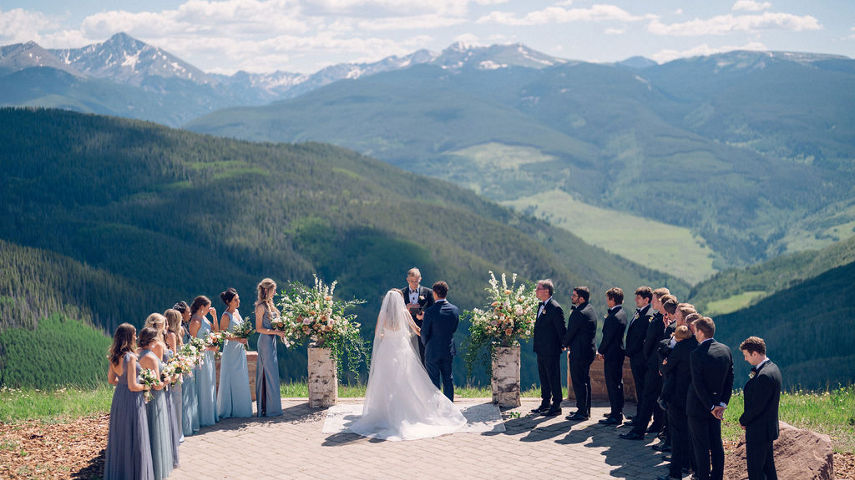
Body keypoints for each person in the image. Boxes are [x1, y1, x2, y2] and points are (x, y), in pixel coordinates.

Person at [348, 289, 466, 441]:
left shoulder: (383, 315)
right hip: (402, 350)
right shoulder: (404, 313)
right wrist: (428, 338)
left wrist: (388, 336)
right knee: (406, 380)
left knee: (385, 382)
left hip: (386, 350)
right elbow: (417, 330)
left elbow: (378, 333)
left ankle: (385, 413)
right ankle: (405, 411)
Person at [104, 323, 154, 480]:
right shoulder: (131, 357)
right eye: (134, 334)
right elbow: (133, 386)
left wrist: (123, 383)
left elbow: (112, 380)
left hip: (119, 398)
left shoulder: (114, 356)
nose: (136, 337)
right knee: (135, 436)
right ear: (128, 337)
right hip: (132, 400)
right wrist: (147, 385)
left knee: (121, 436)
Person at [688, 317, 734, 480]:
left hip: (698, 406)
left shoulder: (697, 354)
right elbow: (730, 379)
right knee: (716, 443)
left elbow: (698, 384)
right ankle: (717, 476)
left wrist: (710, 406)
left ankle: (702, 476)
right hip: (718, 406)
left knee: (700, 445)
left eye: (695, 331)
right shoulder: (725, 350)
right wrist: (721, 404)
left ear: (700, 332)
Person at [622, 287, 671, 440]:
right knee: (654, 397)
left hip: (653, 364)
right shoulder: (659, 318)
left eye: (655, 300)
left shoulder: (657, 320)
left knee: (648, 396)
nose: (653, 303)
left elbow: (650, 343)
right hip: (656, 364)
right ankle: (658, 425)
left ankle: (639, 430)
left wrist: (647, 357)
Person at [657, 325, 698, 480]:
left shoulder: (679, 349)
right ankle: (688, 465)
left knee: (677, 434)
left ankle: (675, 473)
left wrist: (666, 363)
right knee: (689, 433)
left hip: (677, 397)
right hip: (692, 396)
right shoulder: (696, 346)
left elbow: (666, 369)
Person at [739, 336, 782, 480]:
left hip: (759, 430)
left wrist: (743, 419)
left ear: (755, 354)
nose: (745, 359)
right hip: (767, 428)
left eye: (746, 355)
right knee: (768, 468)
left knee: (755, 470)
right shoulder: (772, 367)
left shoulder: (764, 375)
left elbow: (758, 406)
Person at [138, 326, 174, 480]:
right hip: (155, 398)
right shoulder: (151, 358)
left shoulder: (137, 354)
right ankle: (155, 467)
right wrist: (169, 379)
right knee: (155, 429)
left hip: (142, 397)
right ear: (152, 341)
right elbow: (157, 384)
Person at [145, 313, 179, 468]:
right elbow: (158, 368)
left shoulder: (151, 342)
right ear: (159, 326)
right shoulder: (158, 345)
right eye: (165, 324)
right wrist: (171, 377)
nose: (167, 327)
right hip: (161, 386)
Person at [531, 279, 567, 417]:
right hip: (541, 349)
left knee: (553, 377)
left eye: (538, 288)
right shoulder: (541, 306)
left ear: (546, 291)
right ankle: (545, 402)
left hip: (551, 350)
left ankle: (556, 405)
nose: (536, 291)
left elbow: (561, 329)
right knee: (544, 377)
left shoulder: (555, 307)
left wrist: (563, 345)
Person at [419, 281, 459, 401]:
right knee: (448, 379)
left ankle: (436, 409)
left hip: (432, 350)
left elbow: (424, 333)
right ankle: (449, 408)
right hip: (448, 349)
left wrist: (427, 344)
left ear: (435, 294)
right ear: (446, 293)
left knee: (433, 381)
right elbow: (454, 328)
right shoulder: (454, 310)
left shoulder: (430, 312)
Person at [217, 288, 253, 419]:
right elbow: (222, 334)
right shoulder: (226, 316)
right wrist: (238, 338)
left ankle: (241, 409)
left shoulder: (237, 312)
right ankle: (228, 409)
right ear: (228, 302)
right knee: (232, 378)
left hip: (239, 350)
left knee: (241, 377)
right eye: (235, 300)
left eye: (238, 299)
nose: (238, 301)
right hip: (231, 351)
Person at [563, 286, 597, 421]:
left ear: (581, 298)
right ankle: (584, 409)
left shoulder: (579, 313)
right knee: (585, 381)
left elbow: (570, 332)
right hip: (588, 351)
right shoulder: (590, 309)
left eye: (574, 296)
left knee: (578, 381)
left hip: (580, 352)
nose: (572, 297)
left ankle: (582, 412)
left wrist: (563, 344)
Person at [255, 278, 287, 417]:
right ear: (267, 290)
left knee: (272, 373)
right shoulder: (260, 307)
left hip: (271, 341)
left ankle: (272, 407)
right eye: (273, 290)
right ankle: (267, 408)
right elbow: (259, 329)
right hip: (265, 341)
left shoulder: (270, 305)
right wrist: (276, 332)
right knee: (267, 374)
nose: (275, 292)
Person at [598, 287, 627, 425]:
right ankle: (617, 410)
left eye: (607, 298)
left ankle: (616, 415)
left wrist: (601, 350)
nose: (606, 301)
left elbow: (607, 337)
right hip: (618, 352)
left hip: (612, 353)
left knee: (612, 384)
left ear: (612, 299)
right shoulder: (622, 313)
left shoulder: (613, 317)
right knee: (617, 383)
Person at [189, 296, 219, 427]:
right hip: (201, 357)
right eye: (207, 308)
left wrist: (215, 317)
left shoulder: (205, 318)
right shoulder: (195, 321)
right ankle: (202, 417)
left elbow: (216, 332)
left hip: (209, 357)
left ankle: (210, 414)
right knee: (203, 385)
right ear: (201, 307)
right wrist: (209, 347)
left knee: (210, 384)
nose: (209, 309)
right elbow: (192, 344)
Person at [625, 286, 653, 422]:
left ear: (646, 299)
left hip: (640, 358)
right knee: (639, 387)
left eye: (639, 297)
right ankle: (639, 414)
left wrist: (629, 352)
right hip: (635, 357)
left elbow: (640, 338)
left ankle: (642, 417)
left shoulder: (648, 315)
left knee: (642, 388)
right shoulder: (640, 313)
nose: (636, 299)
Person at [401, 267, 435, 365]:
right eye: (412, 281)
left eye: (416, 281)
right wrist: (406, 308)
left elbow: (434, 310)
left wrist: (425, 314)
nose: (414, 284)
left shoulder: (428, 293)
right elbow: (395, 312)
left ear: (420, 279)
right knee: (406, 357)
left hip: (422, 330)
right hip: (406, 329)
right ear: (407, 280)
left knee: (423, 358)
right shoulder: (401, 293)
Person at [175, 301, 199, 436]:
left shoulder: (183, 326)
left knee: (188, 395)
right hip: (184, 364)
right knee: (185, 395)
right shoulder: (181, 329)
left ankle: (187, 425)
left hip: (187, 362)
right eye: (188, 312)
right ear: (182, 314)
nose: (190, 314)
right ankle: (185, 426)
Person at [163, 309, 184, 445]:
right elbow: (173, 356)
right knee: (176, 401)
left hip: (167, 371)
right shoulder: (171, 335)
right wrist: (179, 372)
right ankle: (177, 433)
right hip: (173, 372)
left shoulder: (165, 334)